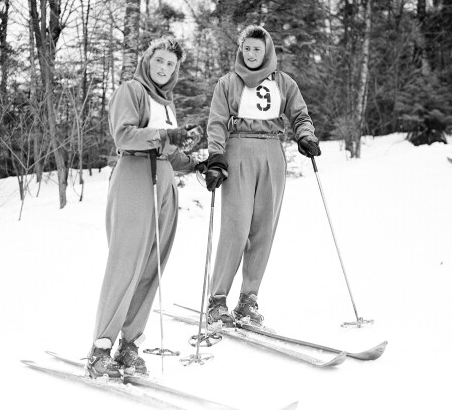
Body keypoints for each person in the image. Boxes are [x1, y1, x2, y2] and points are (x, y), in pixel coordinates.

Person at [86, 36, 201, 378]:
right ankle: (100, 348)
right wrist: (166, 138)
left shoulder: (166, 103)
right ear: (148, 60)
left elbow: (170, 151)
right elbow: (124, 135)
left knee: (152, 264)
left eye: (171, 64)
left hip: (163, 180)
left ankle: (129, 345)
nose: (164, 68)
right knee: (127, 262)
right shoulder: (131, 90)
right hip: (135, 174)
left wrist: (197, 164)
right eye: (159, 60)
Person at [204, 25, 321, 328]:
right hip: (238, 149)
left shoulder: (284, 82)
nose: (252, 54)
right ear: (240, 50)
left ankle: (248, 299)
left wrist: (306, 135)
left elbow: (300, 114)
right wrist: (216, 156)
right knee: (237, 226)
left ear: (267, 51)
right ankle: (217, 300)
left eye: (257, 49)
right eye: (247, 48)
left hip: (272, 153)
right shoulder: (228, 83)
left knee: (263, 229)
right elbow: (216, 121)